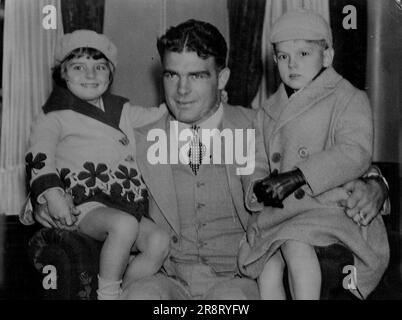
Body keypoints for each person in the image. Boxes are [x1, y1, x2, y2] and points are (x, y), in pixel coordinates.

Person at [26, 20, 389, 300]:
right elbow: (78, 157)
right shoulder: (139, 132)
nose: (181, 91)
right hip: (166, 278)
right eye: (172, 75)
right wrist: (41, 199)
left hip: (238, 278)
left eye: (197, 76)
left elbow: (330, 148)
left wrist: (376, 184)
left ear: (223, 78)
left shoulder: (258, 124)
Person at [237, 10, 389, 300]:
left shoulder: (347, 97)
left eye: (304, 53)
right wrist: (257, 187)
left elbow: (354, 152)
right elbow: (252, 160)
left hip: (330, 210)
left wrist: (298, 177)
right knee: (267, 267)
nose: (292, 64)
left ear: (327, 57)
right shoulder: (267, 110)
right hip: (282, 214)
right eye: (283, 56)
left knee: (295, 247)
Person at [24, 30, 170, 300]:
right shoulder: (53, 113)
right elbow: (39, 156)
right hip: (82, 203)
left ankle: (123, 292)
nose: (91, 75)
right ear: (63, 74)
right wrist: (52, 195)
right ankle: (108, 295)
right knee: (124, 226)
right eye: (79, 67)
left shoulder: (121, 109)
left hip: (125, 200)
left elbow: (159, 116)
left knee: (159, 241)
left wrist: (185, 100)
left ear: (110, 74)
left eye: (100, 67)